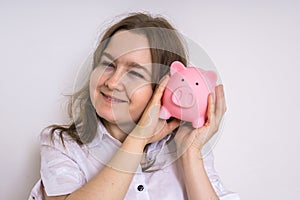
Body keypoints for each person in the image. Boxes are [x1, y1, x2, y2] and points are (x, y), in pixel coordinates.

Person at [29, 12, 240, 200]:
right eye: (108, 65)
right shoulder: (62, 145)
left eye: (135, 73)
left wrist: (190, 154)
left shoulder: (184, 146)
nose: (111, 82)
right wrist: (139, 138)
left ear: (164, 87)